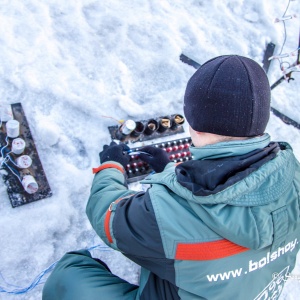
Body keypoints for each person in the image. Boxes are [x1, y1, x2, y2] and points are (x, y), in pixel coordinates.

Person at [42, 55, 300, 300]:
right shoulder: (294, 174)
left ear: (193, 124)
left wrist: (110, 167)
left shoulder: (165, 213)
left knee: (69, 274)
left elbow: (107, 217)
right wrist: (169, 172)